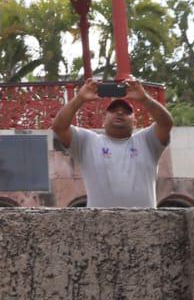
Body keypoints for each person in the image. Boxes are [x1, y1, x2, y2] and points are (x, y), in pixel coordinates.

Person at [50, 79, 173, 209]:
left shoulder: (147, 141)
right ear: (104, 119)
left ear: (134, 121)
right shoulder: (88, 141)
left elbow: (166, 123)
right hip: (100, 220)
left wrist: (144, 99)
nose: (120, 112)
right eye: (113, 110)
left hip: (145, 220)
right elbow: (59, 127)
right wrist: (79, 98)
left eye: (126, 111)